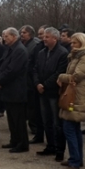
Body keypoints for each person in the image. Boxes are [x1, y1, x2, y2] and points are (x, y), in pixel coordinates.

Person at [57, 33, 85, 169]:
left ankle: (75, 161)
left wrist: (61, 77)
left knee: (69, 128)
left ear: (82, 43)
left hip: (77, 94)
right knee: (74, 128)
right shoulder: (76, 56)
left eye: (74, 43)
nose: (72, 45)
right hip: (74, 92)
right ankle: (76, 158)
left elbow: (76, 76)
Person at [33, 27, 68, 160]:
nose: (44, 39)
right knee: (46, 121)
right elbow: (35, 69)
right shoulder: (42, 52)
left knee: (57, 123)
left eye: (47, 37)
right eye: (44, 37)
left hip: (53, 92)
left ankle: (59, 150)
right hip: (42, 92)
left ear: (55, 38)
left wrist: (45, 85)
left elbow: (59, 72)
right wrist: (37, 83)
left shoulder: (62, 53)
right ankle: (50, 146)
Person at [0, 28, 29, 153]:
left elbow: (12, 70)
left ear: (14, 36)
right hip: (9, 89)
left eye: (7, 36)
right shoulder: (10, 49)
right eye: (4, 36)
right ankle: (14, 140)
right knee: (11, 118)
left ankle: (22, 143)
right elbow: (3, 66)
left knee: (18, 119)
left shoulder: (19, 50)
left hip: (16, 90)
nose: (4, 39)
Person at [20, 25, 41, 137]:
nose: (22, 34)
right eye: (21, 32)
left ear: (30, 34)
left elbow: (34, 63)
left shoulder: (34, 45)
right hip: (24, 79)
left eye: (24, 32)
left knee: (32, 105)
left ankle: (34, 126)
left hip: (30, 79)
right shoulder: (23, 44)